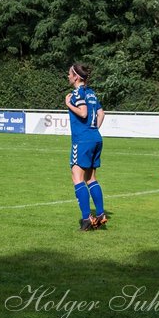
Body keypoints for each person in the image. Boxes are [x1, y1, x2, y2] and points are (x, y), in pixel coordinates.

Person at [66, 62, 107, 231]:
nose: (68, 76)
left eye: (69, 73)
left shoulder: (77, 93)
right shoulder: (91, 94)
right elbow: (101, 113)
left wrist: (68, 104)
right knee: (91, 178)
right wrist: (93, 130)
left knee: (77, 178)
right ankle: (100, 214)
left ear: (76, 76)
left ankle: (86, 219)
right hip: (95, 138)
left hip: (82, 140)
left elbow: (82, 112)